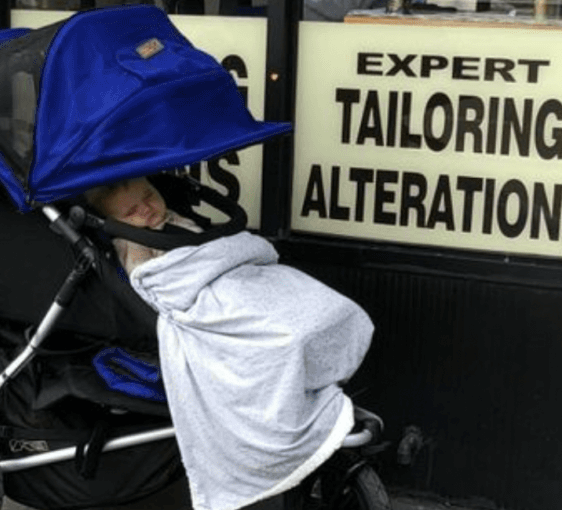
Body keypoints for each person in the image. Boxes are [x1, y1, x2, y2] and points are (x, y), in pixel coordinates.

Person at [85, 176, 374, 510]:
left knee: (318, 305)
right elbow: (153, 282)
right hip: (201, 293)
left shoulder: (173, 219)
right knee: (280, 338)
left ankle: (313, 380)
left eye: (149, 196)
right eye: (132, 212)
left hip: (235, 273)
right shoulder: (132, 242)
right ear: (116, 224)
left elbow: (217, 246)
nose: (147, 210)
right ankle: (287, 415)